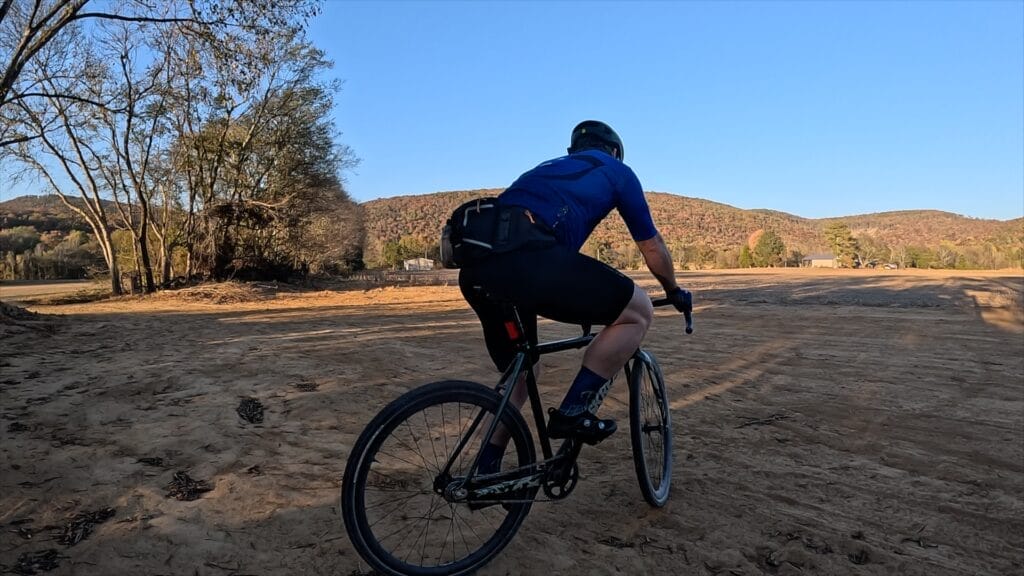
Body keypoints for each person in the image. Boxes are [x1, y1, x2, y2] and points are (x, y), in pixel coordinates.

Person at [458, 120, 690, 473]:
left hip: (478, 271)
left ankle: (484, 470)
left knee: (521, 374)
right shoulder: (616, 171)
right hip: (530, 262)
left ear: (573, 151)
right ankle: (573, 412)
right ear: (614, 152)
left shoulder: (545, 170)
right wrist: (673, 290)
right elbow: (652, 246)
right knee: (638, 310)